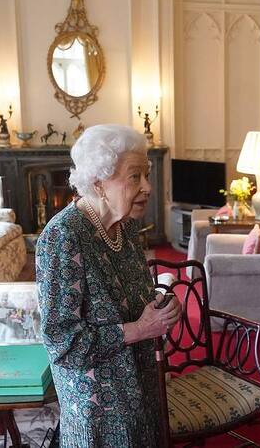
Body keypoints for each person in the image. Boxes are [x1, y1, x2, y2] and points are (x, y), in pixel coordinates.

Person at [37, 124, 182, 447]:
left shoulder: (125, 227)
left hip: (141, 388)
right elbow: (63, 343)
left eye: (147, 175)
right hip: (99, 409)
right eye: (135, 176)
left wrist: (162, 303)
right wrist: (140, 329)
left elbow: (137, 299)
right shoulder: (63, 237)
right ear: (98, 183)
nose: (148, 187)